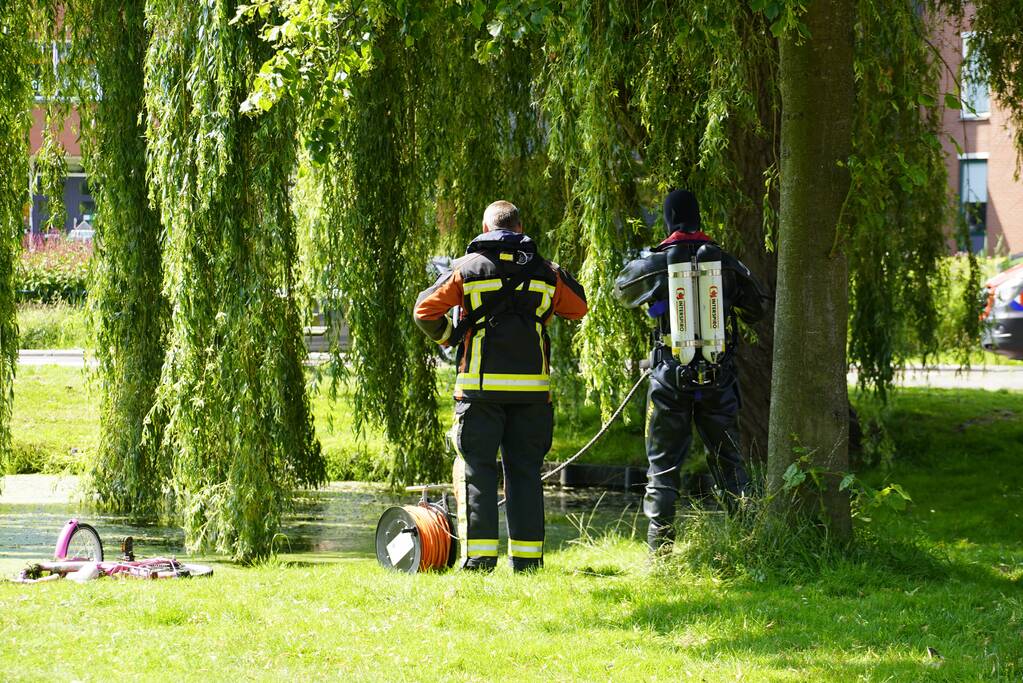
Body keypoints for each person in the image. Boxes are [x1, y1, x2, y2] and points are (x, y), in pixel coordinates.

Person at [414, 200, 587, 572]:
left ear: (486, 228)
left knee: (479, 472)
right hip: (531, 394)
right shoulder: (547, 272)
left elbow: (424, 311)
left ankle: (479, 560)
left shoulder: (467, 269)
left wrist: (450, 336)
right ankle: (527, 563)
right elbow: (579, 308)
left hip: (479, 393)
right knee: (525, 472)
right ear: (520, 228)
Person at [615, 189, 767, 552]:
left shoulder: (657, 262)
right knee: (730, 463)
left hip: (670, 375)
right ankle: (749, 544)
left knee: (663, 467)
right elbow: (756, 309)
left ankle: (661, 552)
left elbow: (621, 291)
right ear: (698, 218)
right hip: (718, 375)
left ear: (668, 219)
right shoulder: (725, 264)